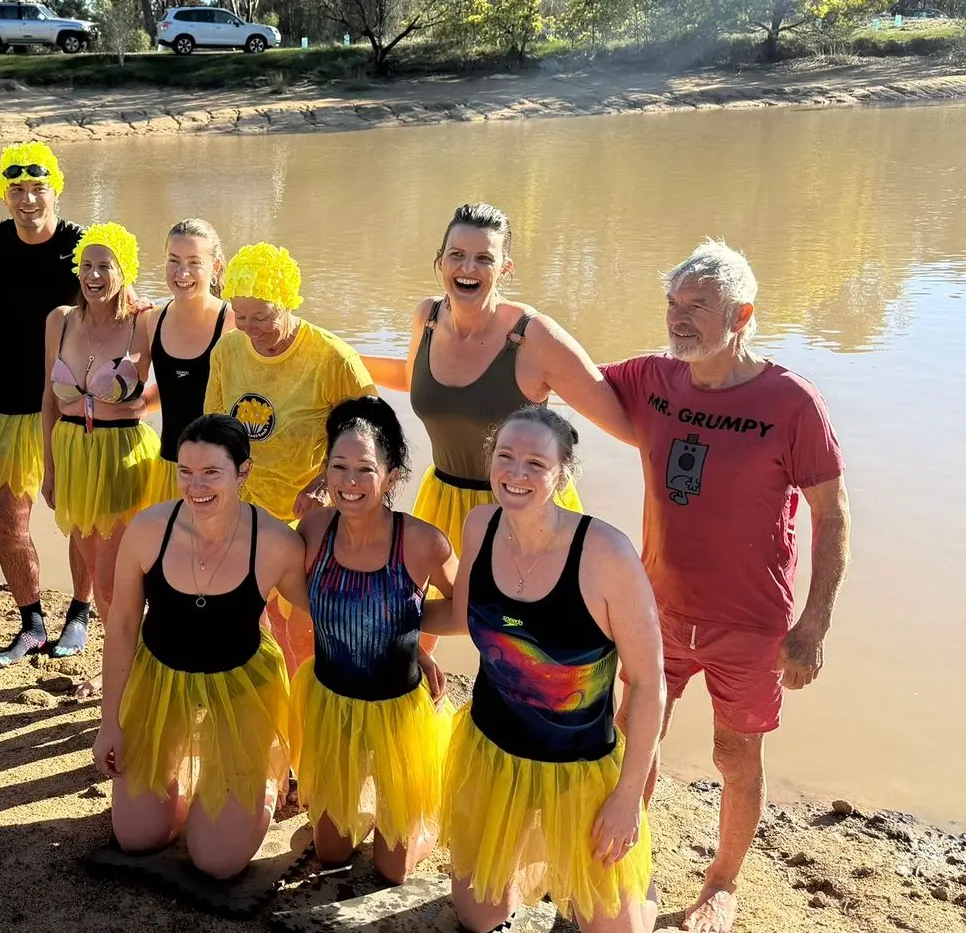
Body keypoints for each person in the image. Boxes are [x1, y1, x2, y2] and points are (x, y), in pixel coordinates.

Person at [601, 239, 850, 933]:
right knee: (633, 741)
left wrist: (814, 625)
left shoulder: (791, 399)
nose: (678, 319)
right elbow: (559, 377)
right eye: (673, 304)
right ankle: (631, 865)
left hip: (750, 624)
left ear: (742, 314)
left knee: (735, 755)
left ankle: (721, 881)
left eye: (697, 307)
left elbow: (833, 516)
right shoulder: (652, 377)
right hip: (655, 609)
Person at [426, 406, 664, 933]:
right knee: (479, 917)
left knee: (617, 930)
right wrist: (384, 619)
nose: (516, 472)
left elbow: (649, 683)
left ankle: (636, 884)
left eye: (536, 462)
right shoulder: (480, 525)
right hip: (493, 753)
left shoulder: (606, 554)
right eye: (505, 456)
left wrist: (627, 799)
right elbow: (461, 617)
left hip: (580, 766)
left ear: (564, 474)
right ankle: (535, 858)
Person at [93, 414, 308, 878]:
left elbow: (329, 612)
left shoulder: (276, 543)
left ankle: (266, 779)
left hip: (241, 680)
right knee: (137, 838)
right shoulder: (149, 530)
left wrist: (415, 646)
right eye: (186, 472)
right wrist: (110, 722)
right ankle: (178, 785)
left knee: (217, 862)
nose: (196, 486)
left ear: (243, 472)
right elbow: (124, 624)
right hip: (159, 677)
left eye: (212, 472)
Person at [361, 203, 634, 550]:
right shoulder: (427, 317)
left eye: (484, 259)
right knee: (446, 605)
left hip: (522, 510)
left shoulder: (534, 336)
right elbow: (414, 377)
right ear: (440, 261)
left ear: (505, 269)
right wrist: (338, 356)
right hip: (444, 504)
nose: (468, 268)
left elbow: (620, 420)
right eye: (457, 255)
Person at [292, 396, 457, 884]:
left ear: (392, 476)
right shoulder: (315, 527)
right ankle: (361, 815)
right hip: (332, 702)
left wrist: (406, 638)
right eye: (338, 466)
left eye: (365, 469)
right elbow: (304, 595)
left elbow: (468, 611)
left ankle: (419, 822)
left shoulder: (425, 541)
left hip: (397, 713)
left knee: (394, 872)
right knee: (330, 853)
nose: (349, 481)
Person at [204, 242, 377, 674]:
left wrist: (325, 480)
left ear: (287, 302)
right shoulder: (227, 351)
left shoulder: (333, 358)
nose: (249, 328)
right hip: (246, 514)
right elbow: (213, 431)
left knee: (302, 631)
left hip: (310, 521)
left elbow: (373, 435)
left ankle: (307, 714)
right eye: (240, 316)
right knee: (251, 622)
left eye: (261, 317)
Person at [0, 142, 95, 668]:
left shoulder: (81, 242)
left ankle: (80, 613)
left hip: (76, 404)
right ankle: (32, 622)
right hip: (14, 404)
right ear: (4, 193)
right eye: (16, 189)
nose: (28, 198)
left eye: (37, 187)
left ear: (55, 189)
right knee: (6, 521)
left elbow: (119, 299)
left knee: (81, 519)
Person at [41, 222, 165, 667]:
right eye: (87, 265)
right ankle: (118, 666)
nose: (94, 275)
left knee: (115, 580)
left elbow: (185, 370)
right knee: (96, 572)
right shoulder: (60, 320)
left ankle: (127, 669)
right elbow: (48, 399)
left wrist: (136, 406)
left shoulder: (145, 322)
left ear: (124, 271)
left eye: (105, 266)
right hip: (73, 454)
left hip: (122, 457)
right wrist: (50, 468)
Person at [142, 218, 232, 504]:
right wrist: (137, 405)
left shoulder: (235, 323)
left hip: (221, 474)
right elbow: (173, 388)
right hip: (169, 468)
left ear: (215, 267)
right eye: (174, 260)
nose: (182, 272)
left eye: (194, 262)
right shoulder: (151, 319)